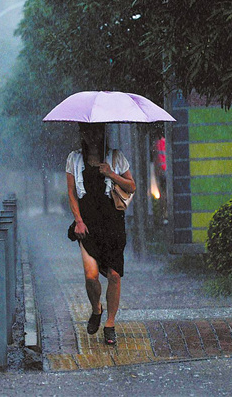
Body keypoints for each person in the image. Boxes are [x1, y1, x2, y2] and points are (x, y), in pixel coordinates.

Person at [66, 123, 136, 346]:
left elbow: (132, 186)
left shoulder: (115, 157)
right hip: (87, 224)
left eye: (96, 131)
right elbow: (71, 193)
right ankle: (96, 308)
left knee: (114, 275)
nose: (92, 136)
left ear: (103, 132)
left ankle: (110, 324)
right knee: (91, 276)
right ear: (82, 134)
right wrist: (78, 221)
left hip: (112, 224)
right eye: (87, 131)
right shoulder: (74, 159)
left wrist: (111, 174)